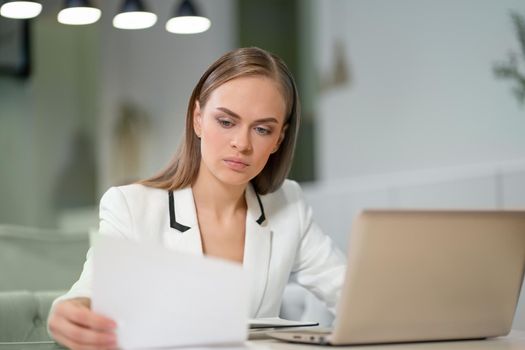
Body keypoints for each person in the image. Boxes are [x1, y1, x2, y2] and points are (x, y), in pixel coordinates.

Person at [48, 47, 345, 350]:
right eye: (226, 122)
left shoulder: (288, 204)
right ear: (198, 118)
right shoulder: (131, 206)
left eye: (261, 129)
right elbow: (91, 290)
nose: (241, 144)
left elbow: (348, 292)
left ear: (278, 140)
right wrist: (70, 310)